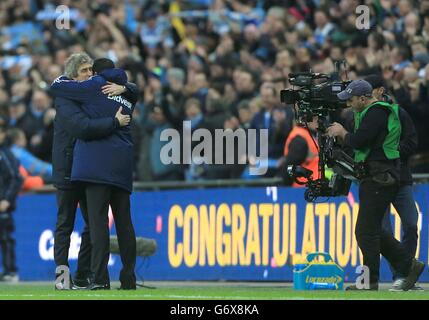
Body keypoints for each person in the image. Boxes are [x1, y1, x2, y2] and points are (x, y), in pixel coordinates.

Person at [326, 79, 425, 291]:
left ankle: (374, 279)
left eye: (352, 100)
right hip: (376, 176)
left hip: (380, 177)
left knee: (365, 231)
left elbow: (359, 141)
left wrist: (343, 133)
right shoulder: (369, 113)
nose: (350, 104)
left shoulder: (377, 113)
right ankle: (408, 265)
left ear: (363, 98)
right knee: (371, 230)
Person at [50, 58, 138, 290]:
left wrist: (127, 87)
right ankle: (62, 279)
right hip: (69, 168)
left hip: (89, 167)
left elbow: (133, 91)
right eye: (84, 71)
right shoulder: (66, 97)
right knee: (65, 225)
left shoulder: (95, 91)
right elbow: (81, 128)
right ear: (73, 76)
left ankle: (83, 275)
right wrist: (115, 121)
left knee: (93, 226)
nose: (89, 74)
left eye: (91, 69)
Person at [364, 74, 421, 291]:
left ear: (379, 90)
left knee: (410, 224)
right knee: (383, 230)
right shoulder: (365, 115)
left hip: (400, 177)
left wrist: (393, 154)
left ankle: (404, 275)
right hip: (378, 179)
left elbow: (412, 141)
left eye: (370, 90)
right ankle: (402, 274)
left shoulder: (398, 113)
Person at [0, 119, 23, 282]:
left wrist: (6, 199)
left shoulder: (5, 154)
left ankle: (11, 272)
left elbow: (16, 178)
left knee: (6, 238)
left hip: (2, 204)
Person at [282, 116, 319, 186]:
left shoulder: (309, 134)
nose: (317, 121)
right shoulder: (299, 139)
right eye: (314, 118)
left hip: (312, 185)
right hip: (302, 188)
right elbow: (290, 166)